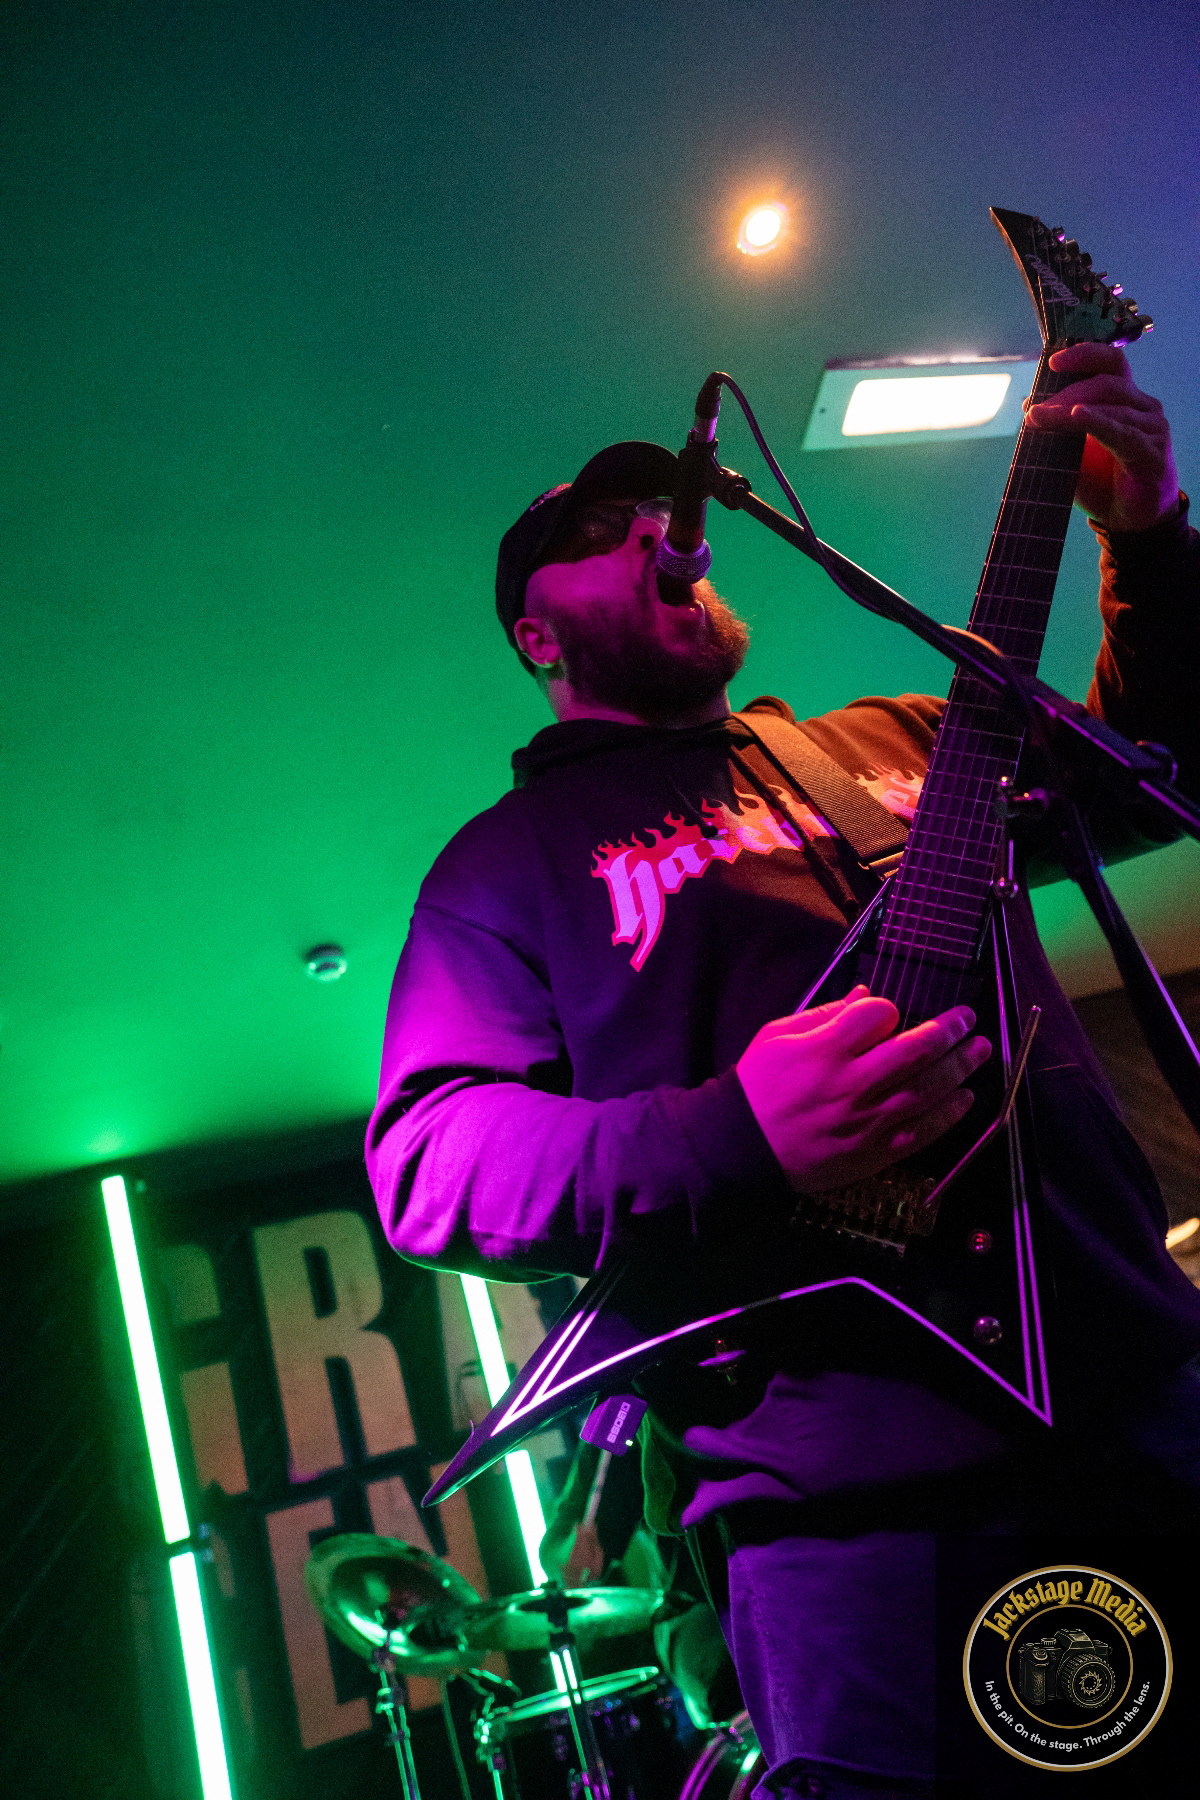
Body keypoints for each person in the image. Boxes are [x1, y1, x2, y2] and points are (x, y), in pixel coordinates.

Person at [367, 344, 1200, 1799]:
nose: (654, 526)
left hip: (1145, 1398)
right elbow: (431, 1165)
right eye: (598, 530)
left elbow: (1160, 767)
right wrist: (733, 1132)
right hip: (858, 1507)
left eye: (658, 509)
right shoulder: (501, 871)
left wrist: (1150, 541)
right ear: (535, 636)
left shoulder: (897, 739)